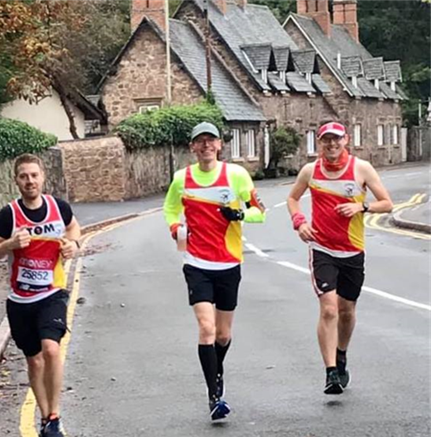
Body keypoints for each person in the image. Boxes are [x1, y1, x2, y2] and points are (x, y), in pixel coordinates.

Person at [163, 122, 266, 421]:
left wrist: (240, 214)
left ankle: (215, 369)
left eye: (211, 141)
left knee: (223, 334)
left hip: (229, 263)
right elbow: (170, 208)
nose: (206, 146)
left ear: (220, 145)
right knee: (206, 328)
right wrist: (174, 227)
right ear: (192, 147)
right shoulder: (181, 179)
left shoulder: (236, 175)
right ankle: (215, 396)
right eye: (200, 142)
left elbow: (259, 212)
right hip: (197, 264)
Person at [0, 153, 81, 437]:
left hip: (52, 293)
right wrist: (9, 244)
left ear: (42, 177)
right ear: (16, 180)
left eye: (34, 175)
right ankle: (45, 418)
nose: (30, 181)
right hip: (20, 300)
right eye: (24, 176)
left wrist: (72, 245)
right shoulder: (9, 215)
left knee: (52, 349)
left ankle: (55, 416)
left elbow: (74, 228)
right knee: (34, 361)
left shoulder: (58, 208)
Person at [287, 122, 392, 395]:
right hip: (322, 249)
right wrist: (299, 222)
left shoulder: (361, 168)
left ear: (345, 140)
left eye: (336, 140)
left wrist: (362, 206)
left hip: (352, 250)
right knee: (329, 309)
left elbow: (387, 203)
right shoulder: (310, 171)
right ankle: (331, 372)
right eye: (326, 141)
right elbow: (293, 198)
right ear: (319, 143)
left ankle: (341, 354)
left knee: (346, 311)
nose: (331, 145)